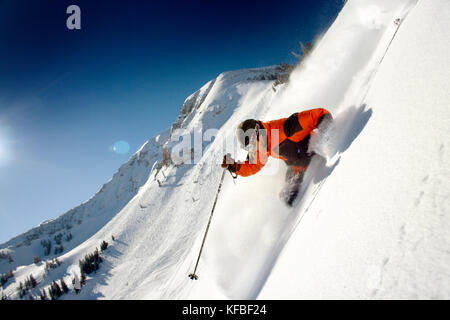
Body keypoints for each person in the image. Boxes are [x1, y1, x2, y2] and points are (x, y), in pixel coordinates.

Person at [222, 108, 332, 206]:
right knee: (286, 197)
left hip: (314, 153)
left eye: (252, 144)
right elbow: (253, 166)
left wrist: (328, 140)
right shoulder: (261, 148)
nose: (253, 149)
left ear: (257, 133)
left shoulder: (286, 128)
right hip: (298, 167)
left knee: (315, 170)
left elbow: (320, 115)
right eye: (249, 148)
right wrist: (234, 167)